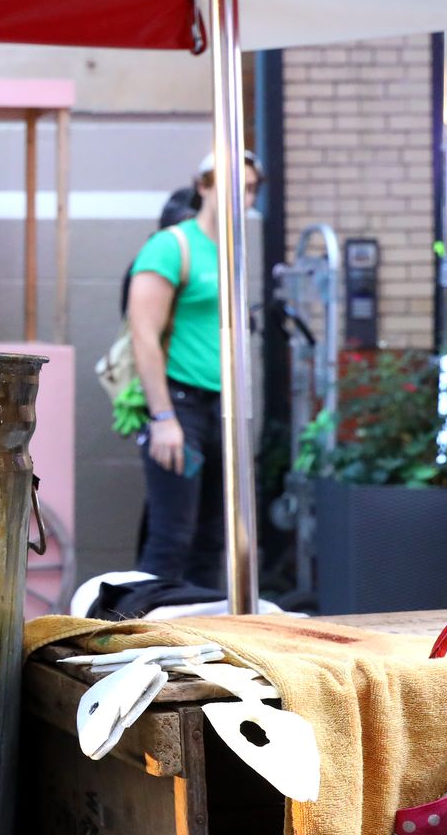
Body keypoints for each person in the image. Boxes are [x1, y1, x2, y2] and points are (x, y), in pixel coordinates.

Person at [125, 149, 262, 588]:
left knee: (213, 542)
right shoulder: (172, 245)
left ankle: (199, 647)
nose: (243, 198)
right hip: (181, 407)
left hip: (225, 410)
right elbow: (143, 335)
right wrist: (163, 418)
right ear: (204, 186)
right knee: (171, 539)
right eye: (233, 186)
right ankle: (139, 641)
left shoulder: (233, 253)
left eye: (252, 189)